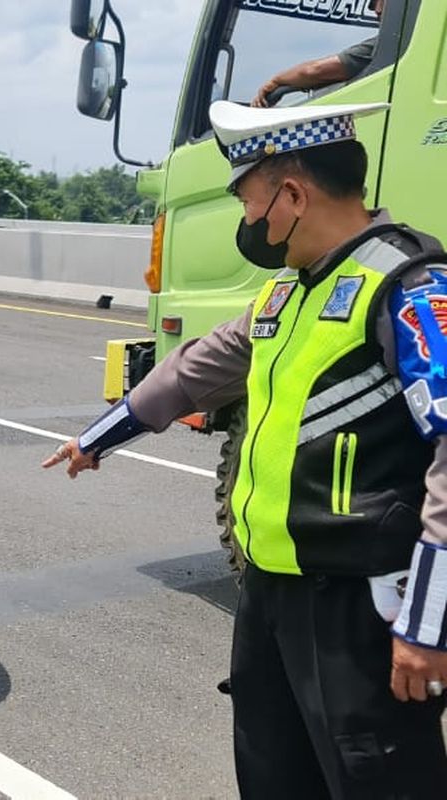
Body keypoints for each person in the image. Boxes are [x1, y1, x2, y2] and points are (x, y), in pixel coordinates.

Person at [44, 99, 447, 797]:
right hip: (271, 591)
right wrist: (99, 439)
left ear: (292, 194)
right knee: (271, 771)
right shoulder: (285, 296)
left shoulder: (408, 286)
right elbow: (194, 369)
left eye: (248, 200)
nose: (247, 222)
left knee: (376, 777)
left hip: (360, 605)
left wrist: (429, 622)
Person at [252, 0, 384, 108]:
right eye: (372, 4)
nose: (377, 10)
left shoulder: (388, 43)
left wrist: (276, 80)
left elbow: (315, 71)